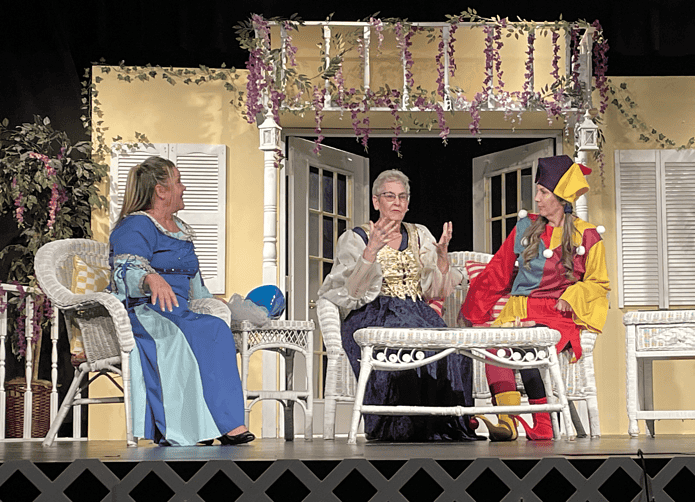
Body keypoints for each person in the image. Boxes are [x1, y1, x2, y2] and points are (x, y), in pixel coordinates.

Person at [318, 169, 480, 442]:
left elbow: (435, 291)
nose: (396, 203)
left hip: (417, 309)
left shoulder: (420, 234)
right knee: (405, 340)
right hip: (373, 312)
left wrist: (442, 259)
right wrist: (370, 252)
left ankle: (444, 424)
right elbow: (349, 294)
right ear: (375, 201)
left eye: (402, 197)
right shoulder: (355, 237)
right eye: (389, 196)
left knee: (453, 346)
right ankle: (402, 426)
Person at [460, 155, 610, 441]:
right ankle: (508, 421)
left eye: (543, 192)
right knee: (498, 343)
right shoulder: (524, 228)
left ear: (561, 197)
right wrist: (474, 315)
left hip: (556, 315)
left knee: (529, 341)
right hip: (520, 310)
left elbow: (599, 283)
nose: (537, 199)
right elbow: (497, 273)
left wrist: (574, 293)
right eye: (538, 192)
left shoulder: (587, 235)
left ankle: (543, 422)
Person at [109, 156, 254, 447]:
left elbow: (194, 281)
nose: (184, 188)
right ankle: (186, 428)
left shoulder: (180, 229)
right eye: (178, 182)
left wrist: (218, 304)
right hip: (146, 311)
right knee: (182, 337)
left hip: (179, 311)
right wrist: (151, 278)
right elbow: (123, 268)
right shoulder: (136, 225)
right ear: (161, 190)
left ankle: (223, 424)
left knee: (215, 328)